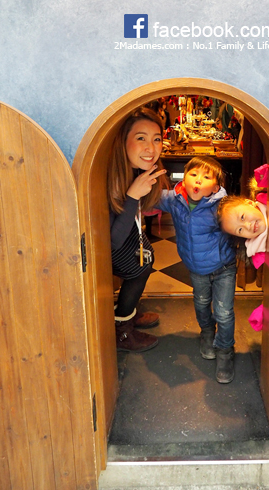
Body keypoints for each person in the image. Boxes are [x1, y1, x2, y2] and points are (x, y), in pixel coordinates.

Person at [156, 156, 237, 383]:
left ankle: (225, 350)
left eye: (206, 177)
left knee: (223, 312)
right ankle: (207, 333)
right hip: (196, 268)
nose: (198, 180)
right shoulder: (175, 200)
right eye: (193, 174)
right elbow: (150, 198)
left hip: (224, 267)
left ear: (216, 187)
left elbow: (244, 216)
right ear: (184, 178)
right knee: (201, 304)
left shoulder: (222, 206)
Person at [107, 107, 169, 353]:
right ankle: (121, 330)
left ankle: (128, 311)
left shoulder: (136, 169)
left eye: (157, 139)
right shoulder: (108, 175)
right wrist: (133, 195)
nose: (151, 148)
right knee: (138, 266)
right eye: (141, 138)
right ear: (123, 141)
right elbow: (112, 242)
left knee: (147, 254)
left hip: (124, 228)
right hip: (105, 243)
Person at [217, 164, 269, 270]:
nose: (247, 226)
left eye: (242, 217)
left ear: (250, 203)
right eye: (240, 230)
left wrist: (263, 179)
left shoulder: (267, 197)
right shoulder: (257, 250)